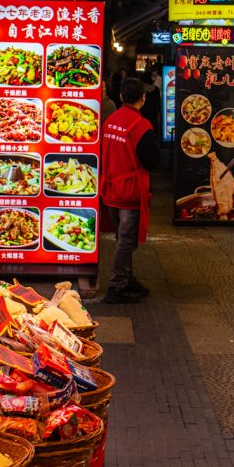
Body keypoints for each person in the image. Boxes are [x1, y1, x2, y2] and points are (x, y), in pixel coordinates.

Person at [99, 77, 158, 304]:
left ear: (122, 96)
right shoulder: (140, 126)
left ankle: (128, 278)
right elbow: (151, 160)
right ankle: (117, 285)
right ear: (143, 99)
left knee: (121, 237)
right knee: (126, 241)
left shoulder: (110, 120)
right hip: (130, 192)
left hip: (110, 187)